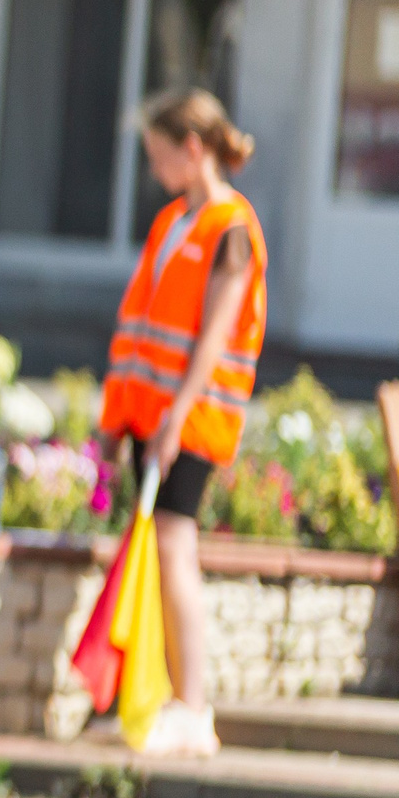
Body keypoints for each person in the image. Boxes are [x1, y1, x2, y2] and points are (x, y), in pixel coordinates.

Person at [97, 88, 267, 758]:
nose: (153, 168)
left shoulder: (231, 228)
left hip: (190, 420)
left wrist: (175, 419)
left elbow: (215, 337)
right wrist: (121, 417)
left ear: (192, 148)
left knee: (174, 544)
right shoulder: (173, 220)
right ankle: (156, 694)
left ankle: (193, 709)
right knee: (158, 548)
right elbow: (142, 322)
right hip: (150, 416)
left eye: (159, 154)